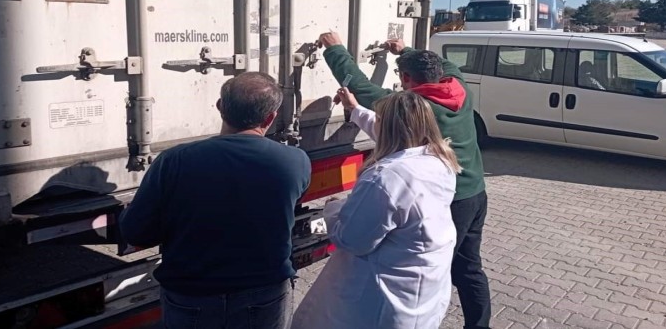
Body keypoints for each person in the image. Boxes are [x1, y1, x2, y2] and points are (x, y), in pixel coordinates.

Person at [318, 31, 491, 328]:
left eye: (402, 76)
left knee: (439, 268)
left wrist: (335, 50)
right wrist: (405, 51)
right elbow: (446, 65)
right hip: (476, 193)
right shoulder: (458, 87)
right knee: (469, 267)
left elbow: (361, 87)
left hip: (450, 200)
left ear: (407, 79)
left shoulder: (414, 107)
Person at [119, 72, 311, 329]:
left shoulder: (174, 161)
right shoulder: (296, 161)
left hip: (191, 295)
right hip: (265, 293)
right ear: (271, 117)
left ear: (220, 107)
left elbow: (135, 232)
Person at [291, 91, 460, 329]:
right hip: (422, 294)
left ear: (389, 128)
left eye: (379, 119)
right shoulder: (439, 162)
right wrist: (355, 110)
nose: (375, 123)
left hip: (381, 303)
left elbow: (351, 239)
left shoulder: (384, 178)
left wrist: (332, 209)